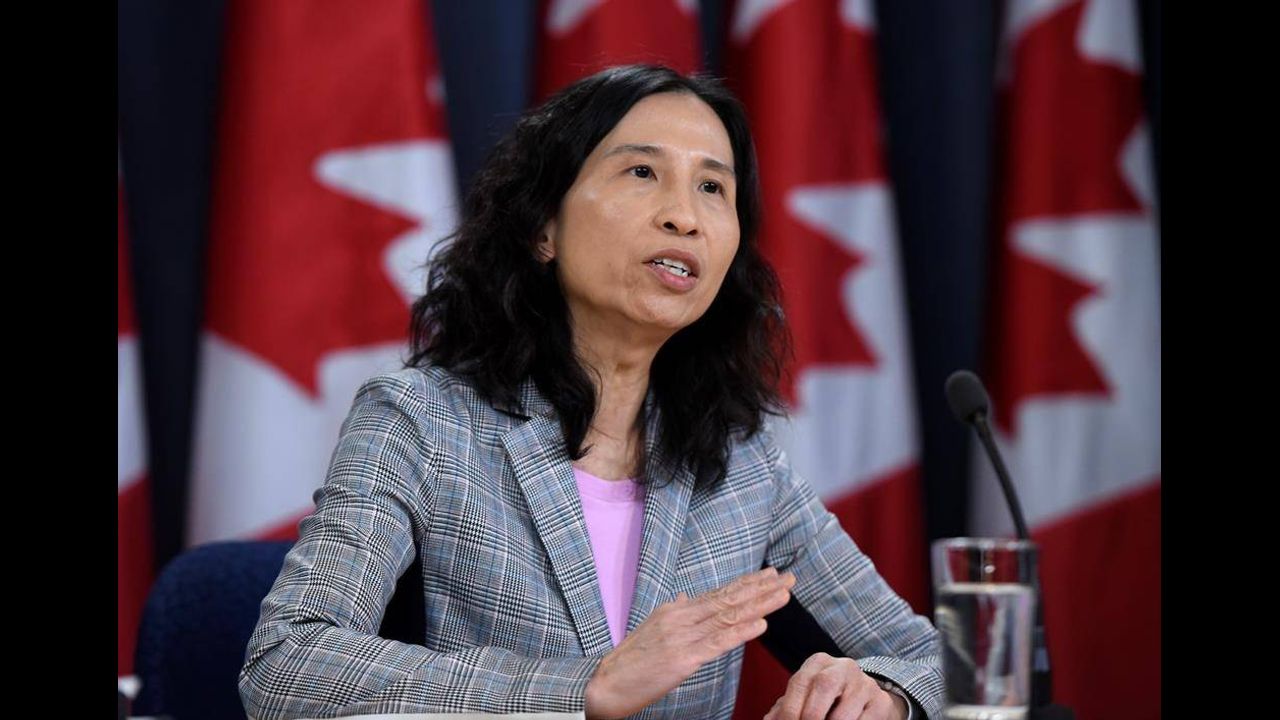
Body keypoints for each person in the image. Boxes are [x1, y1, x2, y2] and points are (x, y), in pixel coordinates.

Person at [239, 64, 944, 720]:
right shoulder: (422, 422)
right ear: (543, 227)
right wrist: (584, 688)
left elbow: (943, 664)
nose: (684, 216)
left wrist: (885, 698)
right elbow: (287, 663)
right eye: (642, 171)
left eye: (713, 187)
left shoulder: (743, 465)